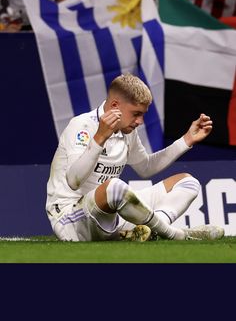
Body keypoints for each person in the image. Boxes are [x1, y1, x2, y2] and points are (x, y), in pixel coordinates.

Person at [46, 73, 225, 242]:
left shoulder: (127, 131)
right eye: (136, 114)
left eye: (143, 114)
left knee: (187, 182)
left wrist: (186, 140)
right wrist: (100, 137)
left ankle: (150, 230)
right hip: (71, 220)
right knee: (114, 188)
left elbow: (145, 168)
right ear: (115, 106)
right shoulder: (82, 126)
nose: (140, 121)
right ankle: (176, 234)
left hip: (110, 217)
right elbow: (73, 180)